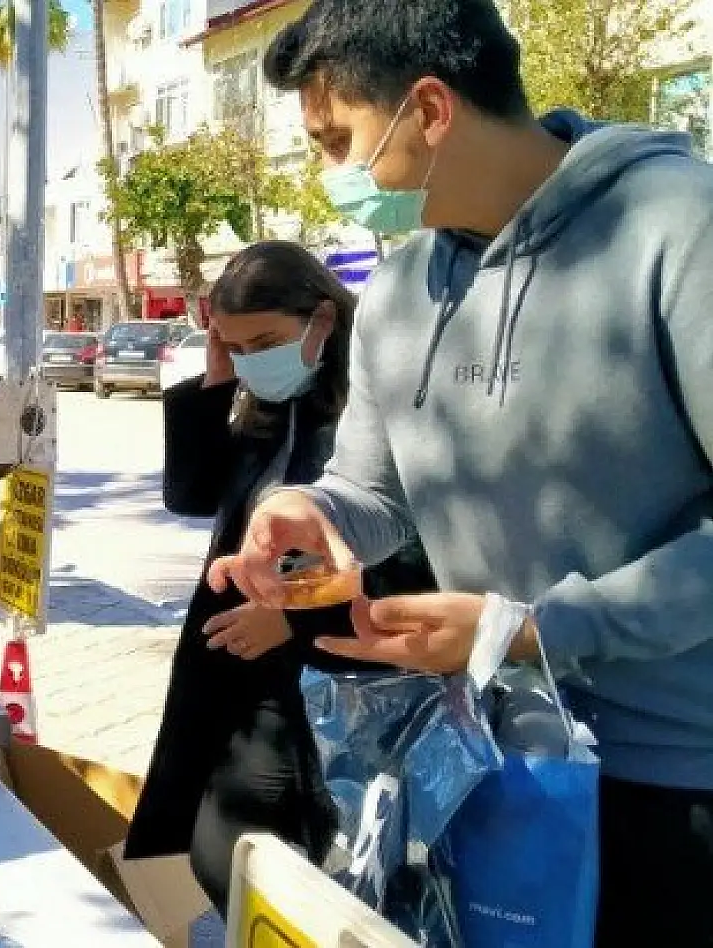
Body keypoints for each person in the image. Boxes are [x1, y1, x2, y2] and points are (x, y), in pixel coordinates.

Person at [205, 1, 713, 941]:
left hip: (677, 781)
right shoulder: (400, 291)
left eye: (338, 140)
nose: (334, 177)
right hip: (497, 761)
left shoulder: (678, 228)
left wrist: (534, 630)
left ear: (431, 111)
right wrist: (305, 511)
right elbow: (370, 495)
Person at [122, 242, 436, 912]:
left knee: (249, 859)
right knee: (213, 857)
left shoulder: (369, 419)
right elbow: (192, 492)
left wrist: (293, 618)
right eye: (234, 346)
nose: (249, 360)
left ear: (322, 319)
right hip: (234, 674)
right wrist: (216, 382)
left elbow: (411, 555)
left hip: (324, 683)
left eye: (264, 341)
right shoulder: (276, 409)